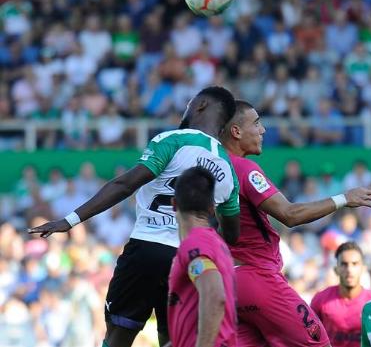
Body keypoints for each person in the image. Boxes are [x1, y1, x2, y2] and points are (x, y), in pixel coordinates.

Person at [29, 86, 241, 347]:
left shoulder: (172, 140)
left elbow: (125, 185)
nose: (186, 108)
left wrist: (70, 220)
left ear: (201, 106)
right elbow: (231, 233)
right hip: (188, 256)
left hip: (146, 248)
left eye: (189, 104)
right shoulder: (229, 169)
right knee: (172, 339)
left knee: (117, 337)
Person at [220, 100, 371, 347]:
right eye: (256, 123)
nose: (262, 130)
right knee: (318, 343)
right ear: (236, 131)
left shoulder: (214, 167)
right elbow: (290, 214)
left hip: (231, 281)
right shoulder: (244, 169)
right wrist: (344, 198)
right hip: (259, 278)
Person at [168, 166, 237, 347]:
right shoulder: (217, 244)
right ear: (211, 208)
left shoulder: (195, 244)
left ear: (174, 204)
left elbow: (215, 296)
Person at [310, 242, 371, 347]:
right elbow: (309, 337)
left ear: (363, 269)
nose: (349, 270)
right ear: (336, 270)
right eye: (344, 264)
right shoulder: (321, 299)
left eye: (355, 264)